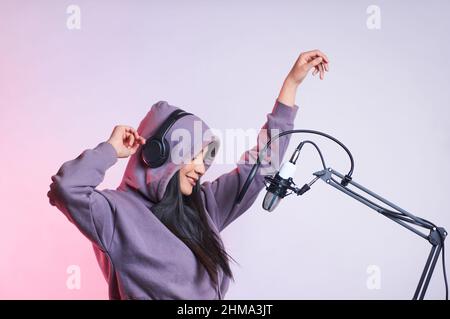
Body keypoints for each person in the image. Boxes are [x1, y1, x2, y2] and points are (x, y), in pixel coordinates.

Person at [47, 50, 329, 299]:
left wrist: (291, 85)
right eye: (191, 155)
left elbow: (261, 165)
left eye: (204, 157)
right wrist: (110, 149)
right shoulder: (115, 214)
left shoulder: (203, 206)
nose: (200, 167)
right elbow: (66, 189)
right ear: (158, 153)